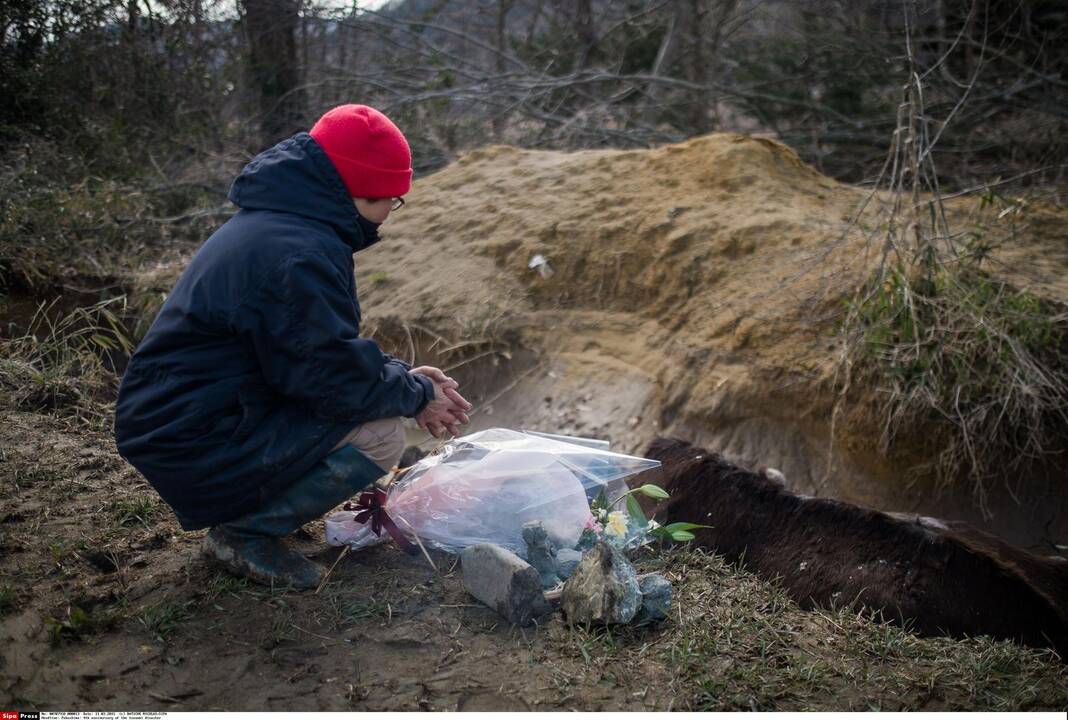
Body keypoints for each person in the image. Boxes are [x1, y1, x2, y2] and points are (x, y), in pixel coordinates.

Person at [114, 104, 472, 589]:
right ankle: (243, 533)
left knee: (372, 411)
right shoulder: (299, 253)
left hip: (186, 415)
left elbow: (313, 350)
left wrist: (407, 377)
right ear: (356, 192)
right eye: (391, 198)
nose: (391, 212)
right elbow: (328, 380)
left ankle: (253, 514)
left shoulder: (282, 225)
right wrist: (412, 395)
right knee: (381, 434)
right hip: (189, 434)